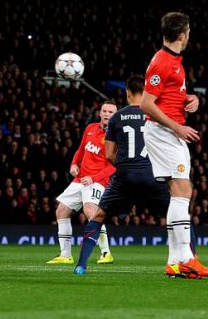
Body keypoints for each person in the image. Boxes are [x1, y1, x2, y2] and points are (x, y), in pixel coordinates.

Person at [73, 76, 178, 274]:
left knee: (98, 216)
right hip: (152, 175)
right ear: (146, 91)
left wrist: (125, 165)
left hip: (125, 177)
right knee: (177, 215)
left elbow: (109, 154)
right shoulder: (157, 115)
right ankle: (187, 260)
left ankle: (81, 265)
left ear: (127, 92)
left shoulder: (116, 117)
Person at [140, 12, 208, 279]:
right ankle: (186, 257)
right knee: (184, 188)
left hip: (166, 130)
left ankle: (174, 261)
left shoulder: (172, 61)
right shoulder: (162, 62)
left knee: (178, 191)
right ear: (182, 34)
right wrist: (178, 126)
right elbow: (146, 104)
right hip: (164, 132)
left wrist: (187, 99)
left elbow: (166, 97)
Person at [47, 100, 117, 266]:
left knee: (91, 211)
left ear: (116, 116)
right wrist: (73, 164)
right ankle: (65, 255)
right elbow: (81, 149)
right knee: (61, 210)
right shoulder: (90, 128)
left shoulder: (115, 135)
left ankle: (106, 252)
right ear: (100, 113)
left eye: (111, 112)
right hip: (80, 179)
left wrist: (94, 178)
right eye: (105, 111)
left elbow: (115, 166)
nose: (107, 114)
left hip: (97, 180)